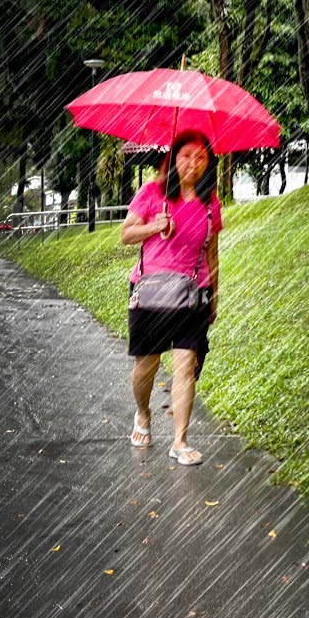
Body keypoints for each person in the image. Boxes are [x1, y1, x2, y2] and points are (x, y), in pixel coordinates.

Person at [120, 130, 222, 466]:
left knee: (186, 365)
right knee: (146, 366)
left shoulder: (210, 203)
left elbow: (212, 254)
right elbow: (126, 234)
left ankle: (180, 440)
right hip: (151, 292)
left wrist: (214, 295)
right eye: (186, 155)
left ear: (208, 163)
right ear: (173, 158)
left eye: (201, 157)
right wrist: (155, 226)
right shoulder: (152, 193)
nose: (193, 163)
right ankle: (143, 412)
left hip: (193, 294)